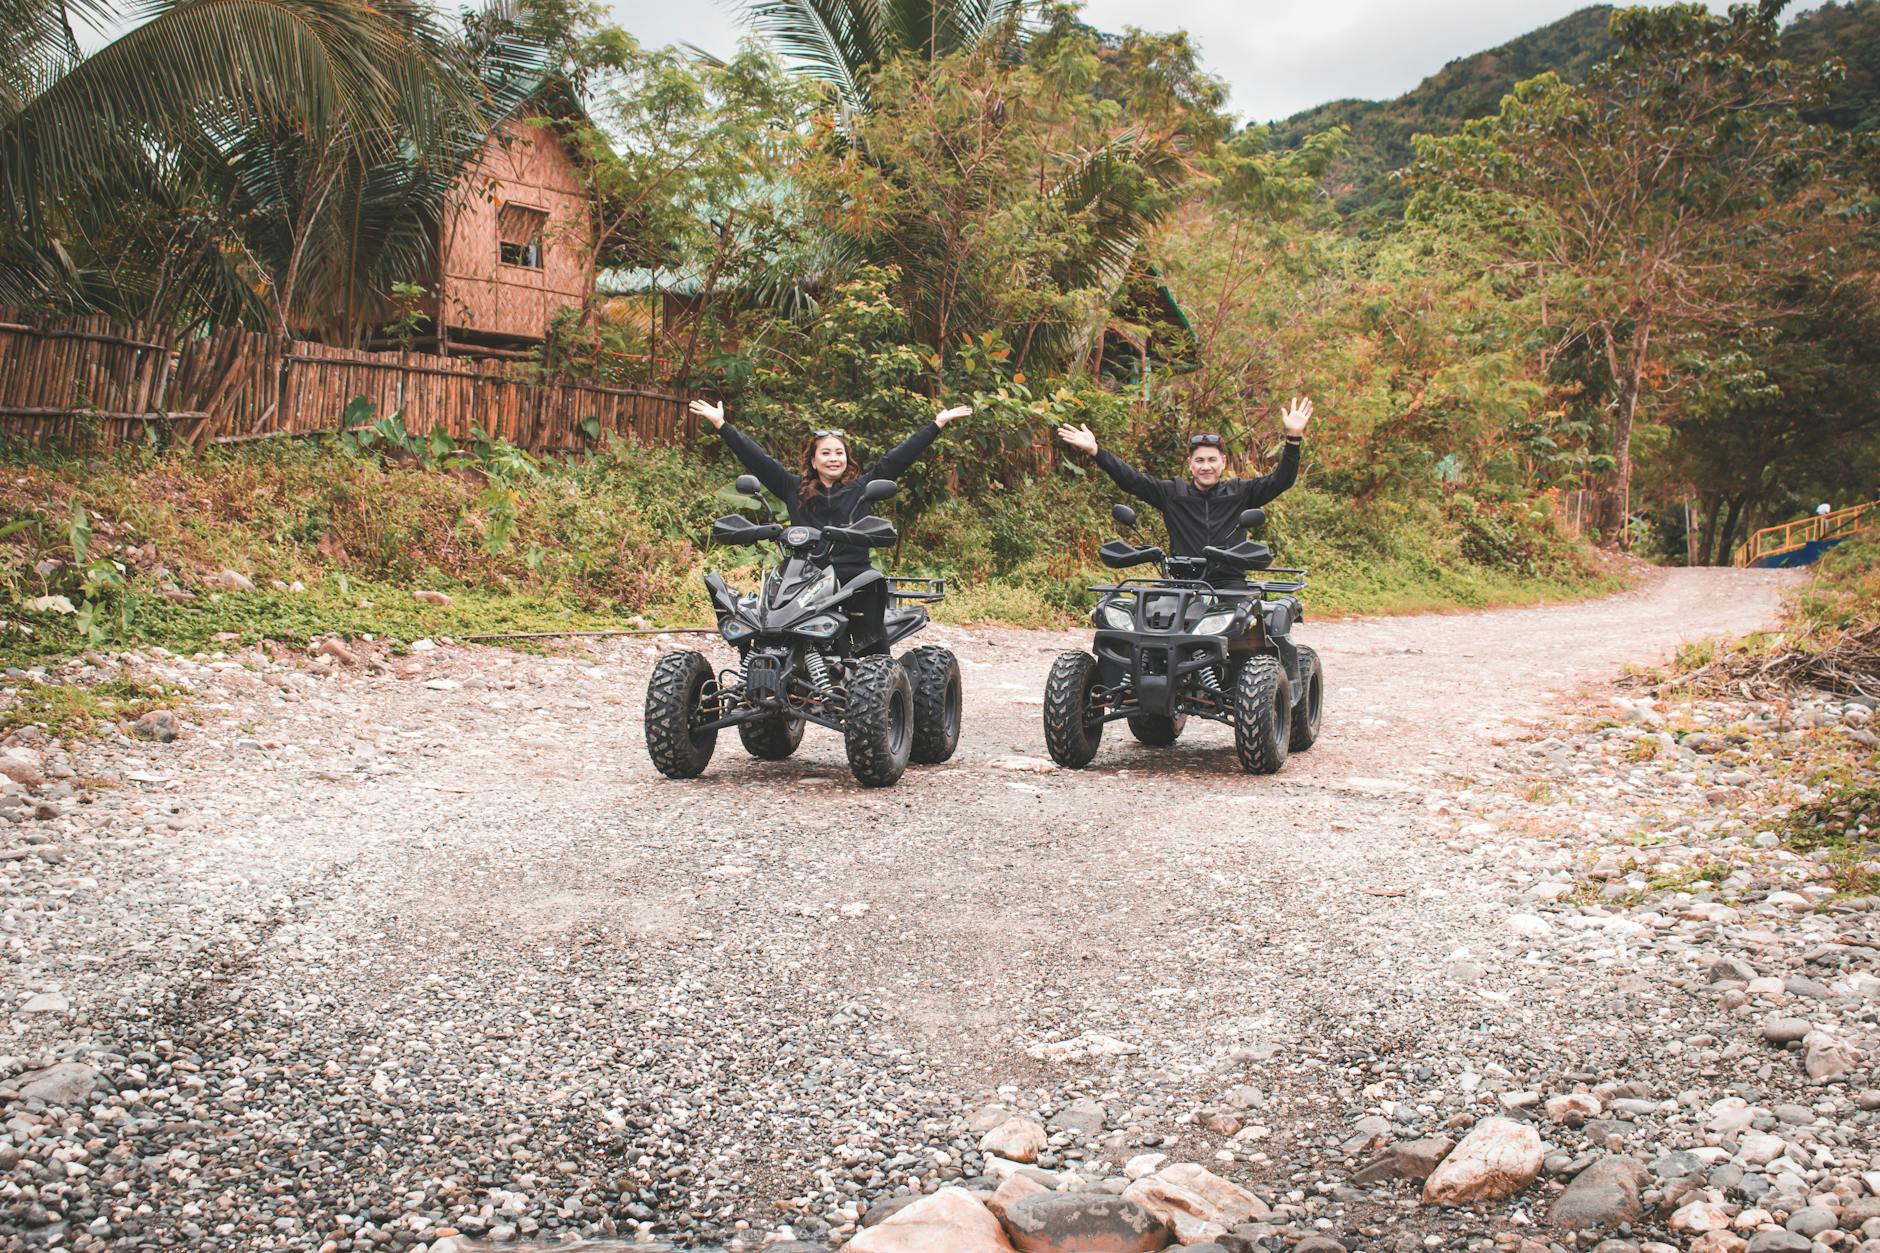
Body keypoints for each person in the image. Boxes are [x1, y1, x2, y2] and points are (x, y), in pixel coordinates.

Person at [689, 398, 970, 654]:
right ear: (813, 460)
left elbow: (897, 459)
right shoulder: (793, 488)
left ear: (847, 459)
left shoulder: (861, 488)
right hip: (805, 577)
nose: (833, 458)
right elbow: (758, 460)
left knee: (872, 620)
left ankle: (881, 671)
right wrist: (722, 425)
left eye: (839, 453)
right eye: (826, 453)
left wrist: (936, 425)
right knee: (765, 622)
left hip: (853, 577)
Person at [1055, 398, 1315, 561]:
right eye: (1199, 461)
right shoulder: (1172, 493)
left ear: (1223, 462)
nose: (1206, 467)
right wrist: (1096, 451)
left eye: (1212, 460)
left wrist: (1293, 439)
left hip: (1230, 584)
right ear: (1190, 464)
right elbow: (1132, 480)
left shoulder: (1240, 491)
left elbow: (1281, 480)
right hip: (1181, 582)